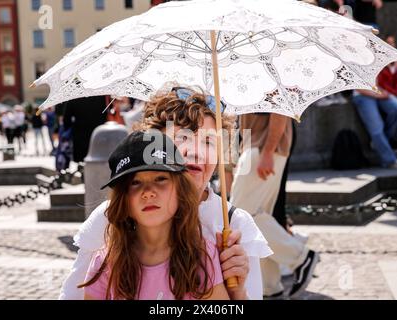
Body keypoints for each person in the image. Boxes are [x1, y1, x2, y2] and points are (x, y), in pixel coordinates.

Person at [59, 87, 272, 300]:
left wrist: (238, 291)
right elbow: (73, 295)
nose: (195, 151)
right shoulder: (112, 216)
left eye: (209, 141)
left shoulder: (234, 224)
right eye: (182, 138)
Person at [80, 131, 230, 300]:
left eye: (160, 178)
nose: (149, 192)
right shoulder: (105, 264)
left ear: (180, 189)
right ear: (124, 199)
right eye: (135, 182)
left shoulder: (202, 256)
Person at [230, 113, 319, 299]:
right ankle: (269, 287)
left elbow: (279, 112)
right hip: (257, 149)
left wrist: (268, 151)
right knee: (257, 217)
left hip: (263, 150)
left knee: (243, 217)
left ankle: (300, 258)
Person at [352, 89, 397, 168]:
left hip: (376, 91)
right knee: (376, 128)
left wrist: (382, 92)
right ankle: (389, 160)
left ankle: (380, 143)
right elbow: (359, 88)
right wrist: (378, 94)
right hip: (362, 95)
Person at [63, 96, 107, 163]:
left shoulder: (74, 97)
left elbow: (66, 119)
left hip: (80, 135)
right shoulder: (101, 96)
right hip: (98, 134)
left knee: (81, 161)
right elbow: (105, 115)